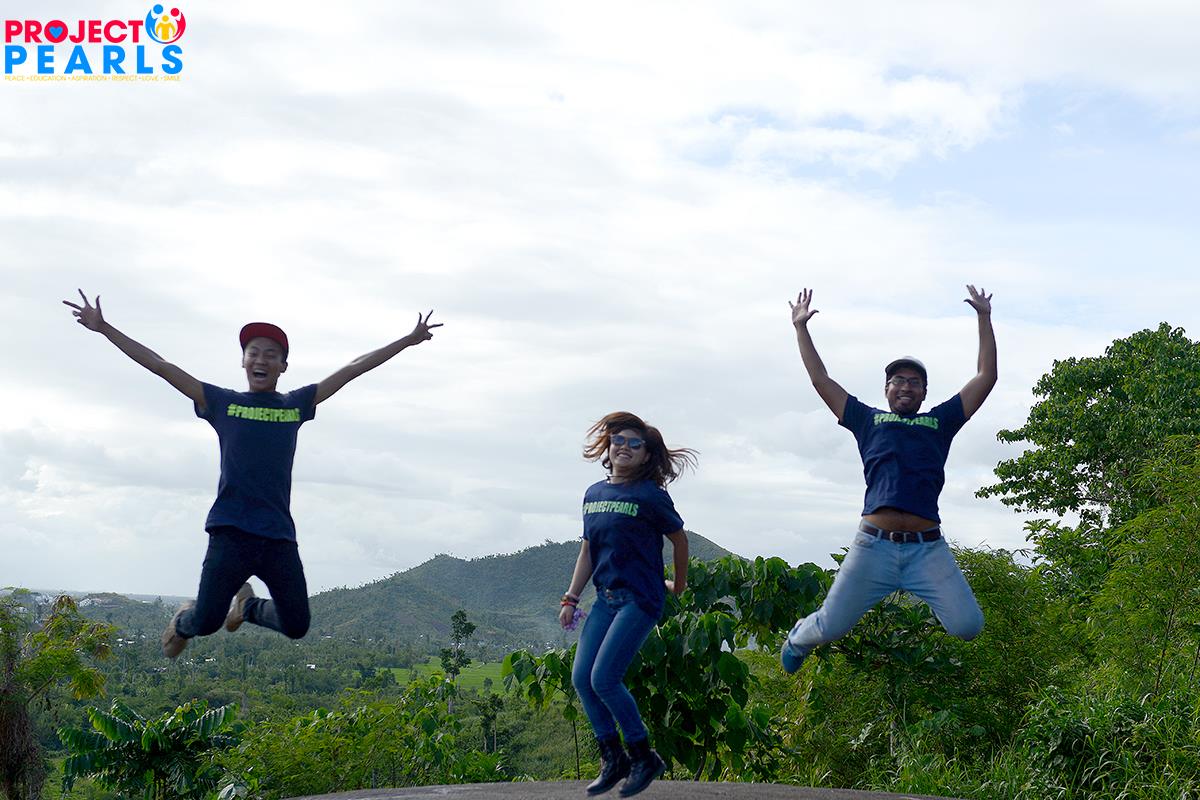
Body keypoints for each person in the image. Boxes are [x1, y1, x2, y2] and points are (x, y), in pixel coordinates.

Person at [62, 290, 441, 658]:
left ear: (283, 366)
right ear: (243, 361)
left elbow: (353, 368)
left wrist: (407, 340)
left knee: (297, 624)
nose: (261, 359)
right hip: (230, 532)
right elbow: (161, 366)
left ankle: (248, 608)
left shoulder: (295, 405)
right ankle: (181, 623)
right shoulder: (222, 402)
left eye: (271, 354)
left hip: (277, 535)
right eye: (253, 352)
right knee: (206, 621)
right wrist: (105, 328)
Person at [780, 285, 996, 674]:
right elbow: (820, 379)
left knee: (968, 626)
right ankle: (799, 636)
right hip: (873, 546)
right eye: (898, 380)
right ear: (887, 389)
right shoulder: (867, 419)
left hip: (927, 549)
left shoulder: (940, 422)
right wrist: (801, 328)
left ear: (924, 392)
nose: (906, 386)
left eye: (914, 381)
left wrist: (984, 317)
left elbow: (986, 376)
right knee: (831, 626)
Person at [560, 412, 695, 797]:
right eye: (618, 440)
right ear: (608, 447)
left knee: (604, 678)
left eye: (635, 444)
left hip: (640, 598)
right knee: (582, 679)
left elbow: (679, 540)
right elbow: (588, 549)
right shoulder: (593, 494)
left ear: (646, 455)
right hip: (606, 598)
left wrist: (678, 584)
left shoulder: (650, 496)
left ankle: (643, 756)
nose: (625, 447)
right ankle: (613, 758)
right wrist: (571, 597)